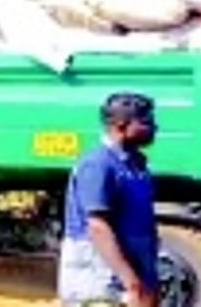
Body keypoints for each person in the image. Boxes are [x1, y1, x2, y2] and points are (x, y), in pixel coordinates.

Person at [58, 92, 160, 307]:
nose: (154, 127)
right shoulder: (98, 164)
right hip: (101, 281)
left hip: (130, 276)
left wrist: (148, 281)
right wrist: (132, 284)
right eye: (146, 122)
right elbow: (97, 227)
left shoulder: (136, 165)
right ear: (121, 125)